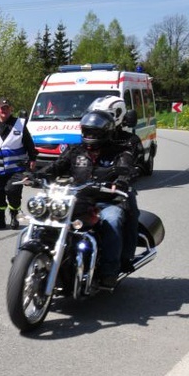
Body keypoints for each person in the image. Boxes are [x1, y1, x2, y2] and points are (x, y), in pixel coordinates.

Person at [38, 109, 136, 288]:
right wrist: (37, 175)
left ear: (105, 132)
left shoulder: (120, 152)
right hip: (80, 200)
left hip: (109, 201)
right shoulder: (76, 151)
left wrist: (121, 181)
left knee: (112, 221)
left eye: (94, 132)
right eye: (87, 131)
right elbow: (58, 165)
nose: (89, 135)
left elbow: (126, 167)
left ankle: (109, 271)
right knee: (48, 216)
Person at [87, 95, 142, 270]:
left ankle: (124, 258)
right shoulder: (90, 138)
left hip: (116, 192)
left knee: (123, 215)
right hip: (87, 191)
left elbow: (135, 164)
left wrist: (125, 178)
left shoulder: (129, 141)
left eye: (104, 115)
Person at [0, 97, 37, 230]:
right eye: (1, 108)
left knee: (12, 191)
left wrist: (32, 158)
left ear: (11, 109)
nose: (4, 110)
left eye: (6, 108)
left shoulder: (20, 124)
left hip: (16, 170)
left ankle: (14, 215)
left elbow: (29, 143)